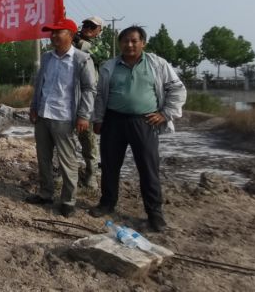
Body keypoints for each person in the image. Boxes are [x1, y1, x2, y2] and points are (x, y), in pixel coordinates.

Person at [90, 26, 186, 232]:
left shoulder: (157, 64)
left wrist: (165, 113)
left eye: (134, 41)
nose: (129, 45)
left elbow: (177, 88)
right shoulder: (109, 66)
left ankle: (155, 214)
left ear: (143, 43)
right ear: (120, 43)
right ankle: (107, 203)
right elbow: (100, 95)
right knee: (109, 165)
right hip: (113, 120)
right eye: (125, 41)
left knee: (148, 168)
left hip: (144, 122)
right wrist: (97, 119)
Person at [25, 18, 97, 217]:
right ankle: (46, 193)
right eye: (52, 32)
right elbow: (40, 84)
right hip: (43, 115)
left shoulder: (82, 59)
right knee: (44, 159)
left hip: (64, 117)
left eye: (59, 32)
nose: (54, 35)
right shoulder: (47, 58)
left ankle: (68, 201)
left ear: (71, 35)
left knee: (67, 161)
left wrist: (83, 115)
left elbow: (89, 89)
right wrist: (34, 107)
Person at [73, 16, 105, 190]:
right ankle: (66, 174)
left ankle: (91, 176)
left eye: (92, 26)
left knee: (89, 141)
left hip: (88, 99)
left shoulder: (102, 46)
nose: (88, 28)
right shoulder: (72, 42)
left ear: (99, 30)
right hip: (70, 96)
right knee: (66, 140)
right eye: (86, 25)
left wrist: (79, 42)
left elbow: (99, 55)